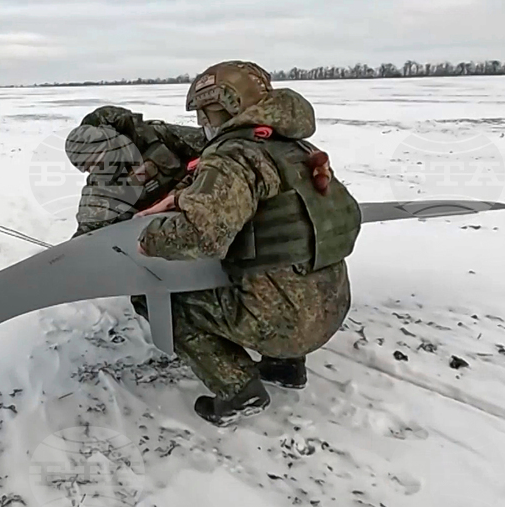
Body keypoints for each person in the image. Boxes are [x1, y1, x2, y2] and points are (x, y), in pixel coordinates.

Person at [131, 61, 362, 425]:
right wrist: (183, 196)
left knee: (159, 300)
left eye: (205, 114)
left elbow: (201, 236)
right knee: (281, 267)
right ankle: (285, 368)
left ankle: (237, 389)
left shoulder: (235, 154)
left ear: (222, 107)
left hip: (285, 322)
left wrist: (149, 240)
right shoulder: (295, 147)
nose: (203, 124)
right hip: (331, 308)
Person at [65, 105, 206, 237]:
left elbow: (213, 145)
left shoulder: (155, 136)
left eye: (96, 161)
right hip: (161, 228)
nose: (94, 170)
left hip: (201, 198)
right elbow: (87, 233)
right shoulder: (98, 187)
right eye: (88, 168)